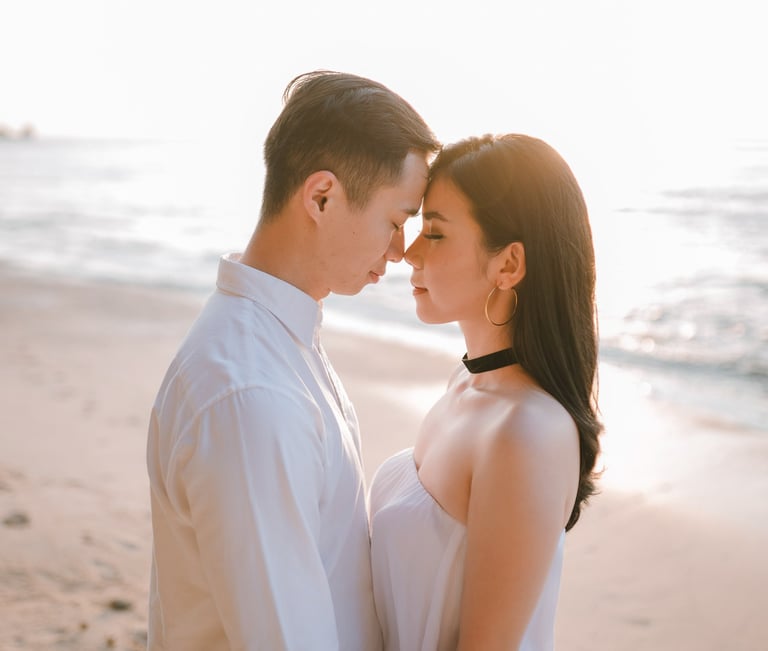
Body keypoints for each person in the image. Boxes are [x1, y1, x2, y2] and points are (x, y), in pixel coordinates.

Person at [146, 70, 439, 650]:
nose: (401, 251)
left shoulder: (278, 341)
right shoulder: (252, 394)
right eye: (396, 220)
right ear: (322, 196)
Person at [369, 134, 602, 650]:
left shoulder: (526, 433)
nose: (409, 252)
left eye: (434, 232)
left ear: (508, 264)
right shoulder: (467, 385)